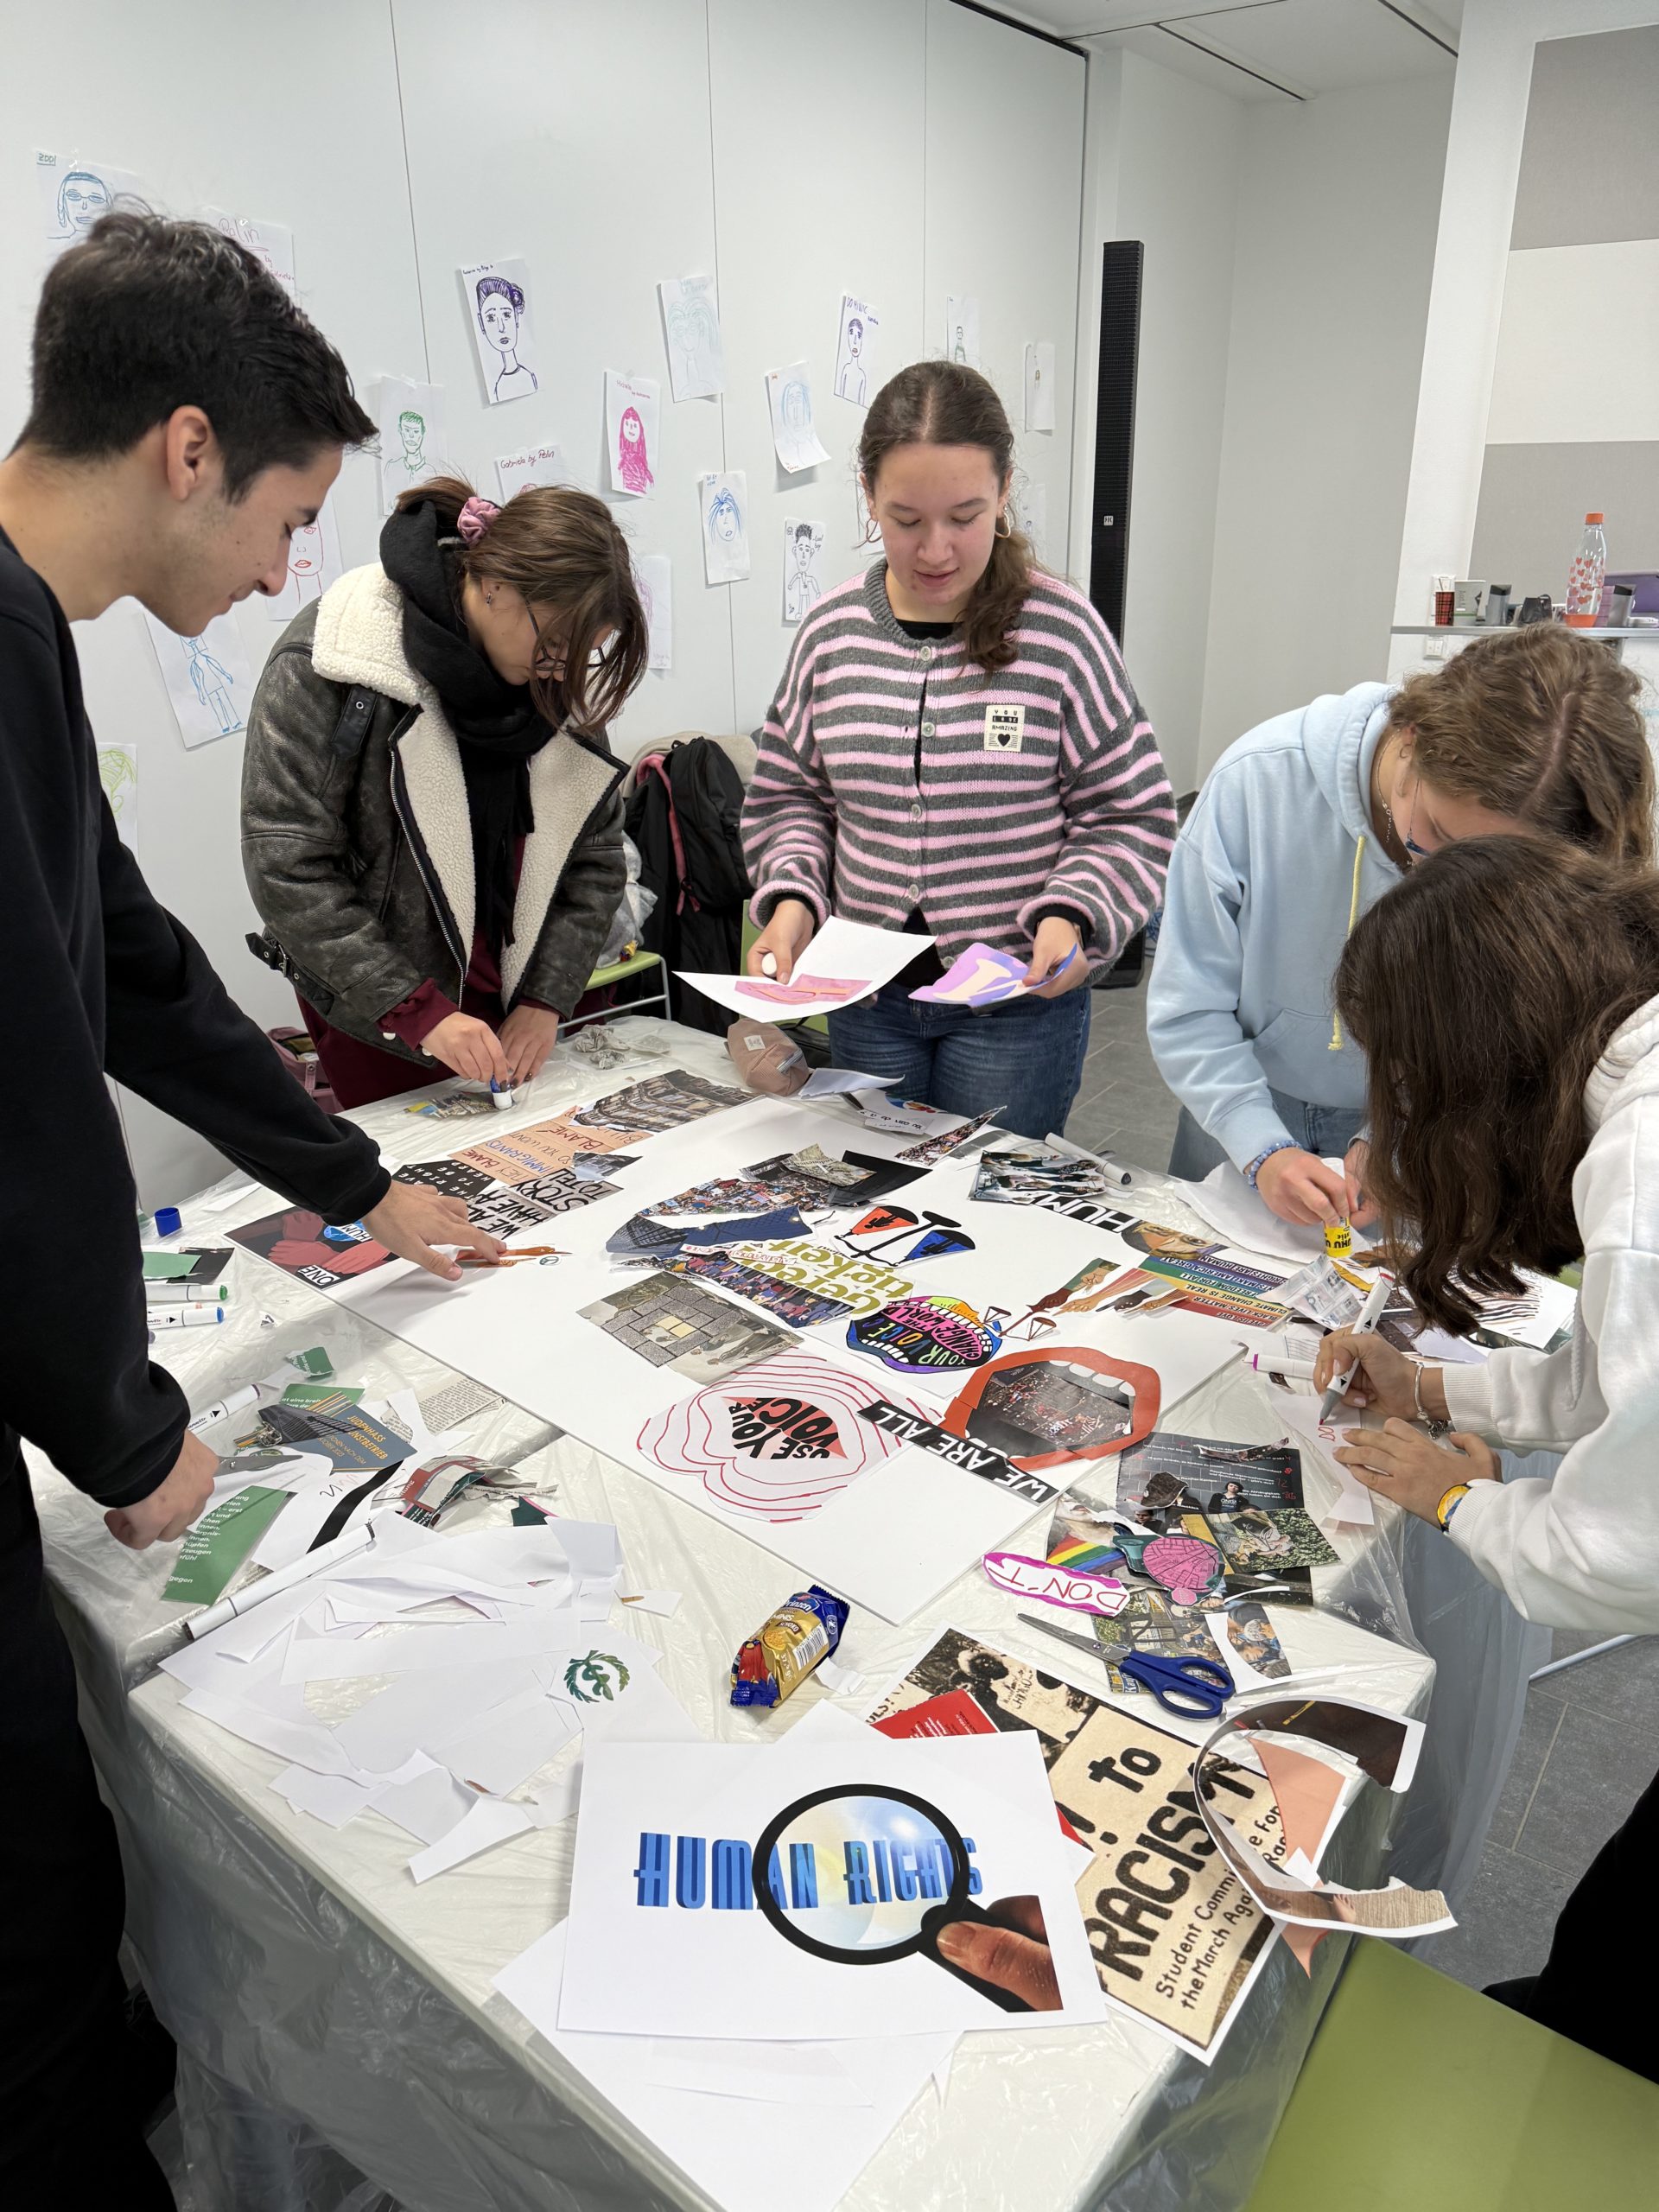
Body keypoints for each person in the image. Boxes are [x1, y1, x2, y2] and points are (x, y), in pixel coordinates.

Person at [0, 213, 505, 2205]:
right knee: (33, 1872)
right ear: (188, 448)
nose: (290, 573)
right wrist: (126, 1429)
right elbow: (26, 1093)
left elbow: (129, 960)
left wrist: (359, 1177)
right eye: (290, 518)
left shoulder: (29, 636)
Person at [1309, 836, 1659, 2082]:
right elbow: (1617, 1382)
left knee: (1611, 1998)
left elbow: (1619, 1555)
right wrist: (1436, 1386)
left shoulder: (1641, 1166)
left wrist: (1458, 1498)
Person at [741, 360, 1175, 1140]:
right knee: (874, 1186)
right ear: (868, 496)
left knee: (984, 1195)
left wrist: (1073, 913)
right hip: (866, 1000)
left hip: (1014, 1007)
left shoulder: (1060, 633)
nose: (935, 549)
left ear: (1004, 492)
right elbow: (790, 798)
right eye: (906, 519)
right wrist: (794, 900)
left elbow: (1131, 813)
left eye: (965, 516)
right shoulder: (832, 635)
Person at [1147, 624, 1654, 1226]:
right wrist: (1258, 1144)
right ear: (1413, 741)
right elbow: (1188, 1003)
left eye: (1493, 868)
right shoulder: (1257, 783)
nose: (1447, 879)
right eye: (1437, 833)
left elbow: (1489, 1030)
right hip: (1235, 1104)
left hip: (1421, 1127)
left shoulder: (1557, 870)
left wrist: (1396, 1134)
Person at [242, 477, 647, 1108]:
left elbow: (596, 859)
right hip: (384, 1009)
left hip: (514, 1000)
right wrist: (417, 1010)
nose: (561, 669)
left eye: (584, 655)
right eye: (555, 642)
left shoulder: (553, 679)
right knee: (419, 1166)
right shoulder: (337, 659)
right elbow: (288, 868)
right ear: (495, 584)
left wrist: (546, 997)